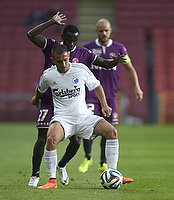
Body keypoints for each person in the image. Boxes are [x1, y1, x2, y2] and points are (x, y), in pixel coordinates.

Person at [27, 11, 125, 187]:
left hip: (77, 110)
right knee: (44, 138)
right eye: (69, 40)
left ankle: (63, 166)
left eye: (74, 41)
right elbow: (31, 35)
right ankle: (36, 175)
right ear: (62, 36)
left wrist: (115, 62)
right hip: (51, 101)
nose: (71, 44)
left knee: (77, 141)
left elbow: (103, 66)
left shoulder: (82, 58)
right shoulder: (51, 48)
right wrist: (51, 22)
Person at [78, 18, 143, 173]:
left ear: (111, 30)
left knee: (108, 129)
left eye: (106, 30)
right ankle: (87, 157)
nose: (104, 33)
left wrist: (137, 87)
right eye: (101, 31)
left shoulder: (120, 48)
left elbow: (130, 68)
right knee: (89, 126)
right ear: (96, 31)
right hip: (91, 95)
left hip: (110, 96)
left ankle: (103, 162)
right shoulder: (88, 48)